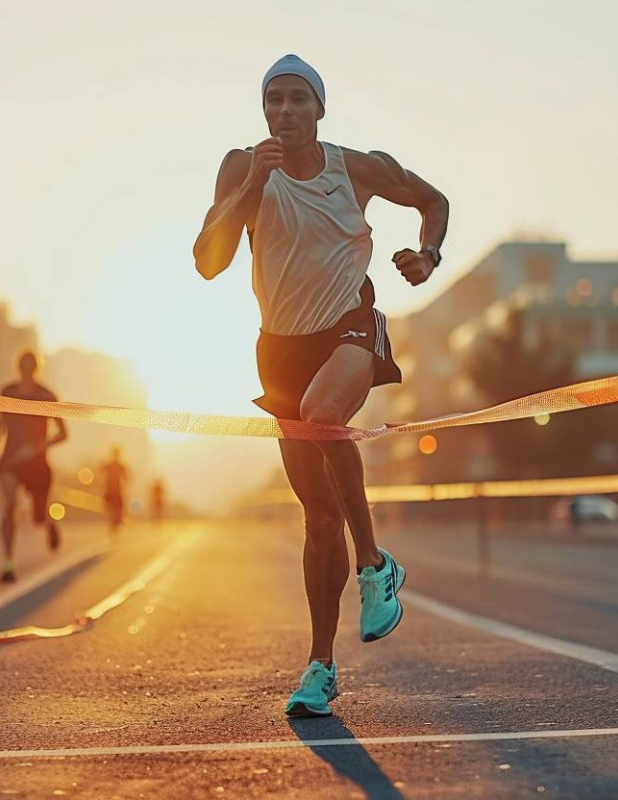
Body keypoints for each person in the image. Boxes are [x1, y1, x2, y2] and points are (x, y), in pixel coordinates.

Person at [192, 55, 448, 717]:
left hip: (349, 325)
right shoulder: (242, 166)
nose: (285, 110)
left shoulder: (355, 168)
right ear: (263, 109)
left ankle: (374, 565)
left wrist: (428, 255)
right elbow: (208, 263)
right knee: (319, 518)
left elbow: (433, 201)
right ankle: (321, 666)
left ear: (319, 109)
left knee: (324, 412)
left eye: (298, 99)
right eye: (274, 99)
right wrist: (251, 187)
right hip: (279, 352)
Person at [0, 351, 67, 583]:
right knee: (10, 505)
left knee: (38, 518)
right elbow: (0, 423)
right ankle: (8, 563)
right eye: (22, 364)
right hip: (10, 461)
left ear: (36, 368)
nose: (25, 368)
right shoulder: (8, 391)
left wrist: (36, 448)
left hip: (36, 464)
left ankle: (49, 523)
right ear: (17, 366)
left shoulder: (47, 396)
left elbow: (63, 434)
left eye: (29, 365)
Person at [98, 446, 130, 540]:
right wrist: (99, 483)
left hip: (117, 491)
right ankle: (113, 523)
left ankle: (118, 520)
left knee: (119, 509)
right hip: (110, 491)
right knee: (110, 509)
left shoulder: (121, 466)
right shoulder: (108, 465)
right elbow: (99, 474)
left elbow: (127, 477)